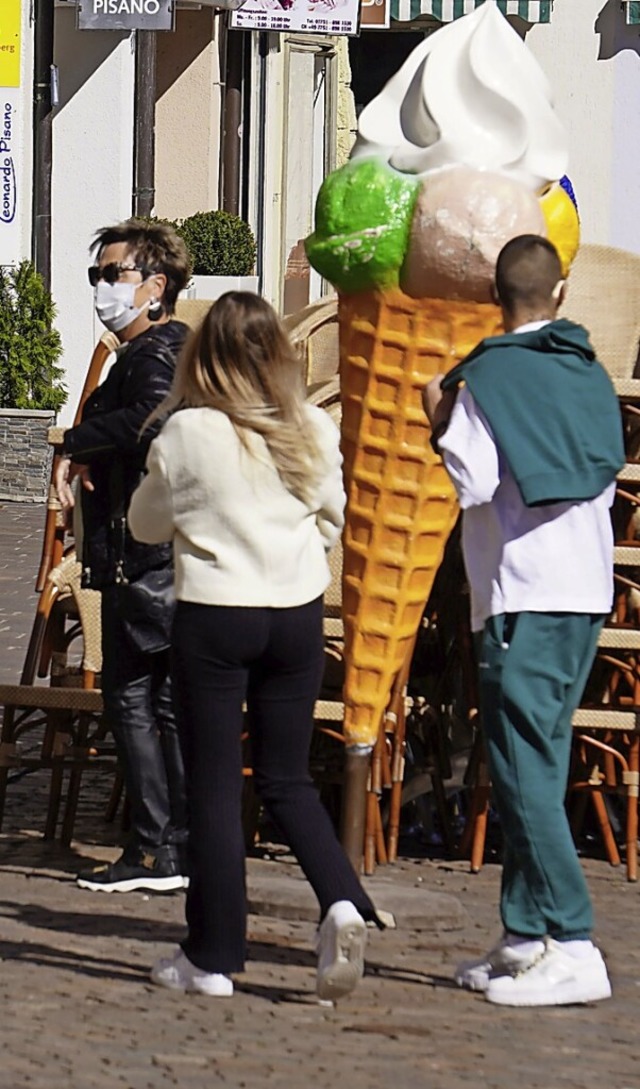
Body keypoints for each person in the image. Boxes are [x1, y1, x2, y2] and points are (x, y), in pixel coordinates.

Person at [128, 291, 381, 1000]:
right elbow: (332, 515)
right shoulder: (309, 426)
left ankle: (212, 953)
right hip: (294, 610)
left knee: (212, 784)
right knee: (287, 776)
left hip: (216, 609)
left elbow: (145, 524)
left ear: (204, 355)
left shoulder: (189, 432)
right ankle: (339, 899)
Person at [423, 235, 625, 1008]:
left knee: (525, 766)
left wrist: (438, 414)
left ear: (492, 294)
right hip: (582, 587)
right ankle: (525, 933)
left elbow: (473, 480)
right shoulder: (589, 371)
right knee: (526, 757)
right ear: (562, 292)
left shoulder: (483, 376)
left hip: (521, 590)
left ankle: (572, 942)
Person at [55, 219, 191, 893]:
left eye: (116, 274)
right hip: (148, 550)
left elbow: (154, 417)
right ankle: (172, 843)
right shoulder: (151, 348)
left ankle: (155, 848)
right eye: (98, 275)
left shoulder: (157, 351)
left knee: (133, 695)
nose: (104, 287)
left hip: (145, 554)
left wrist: (76, 439)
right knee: (156, 699)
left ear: (156, 286)